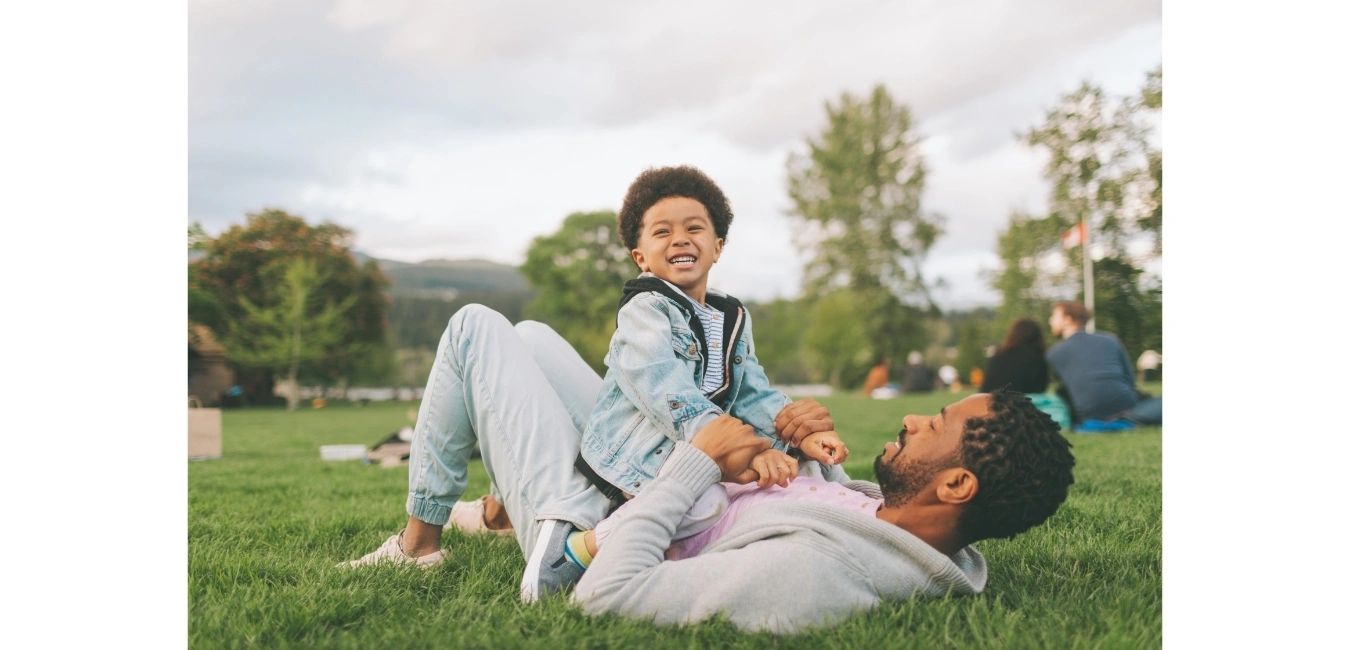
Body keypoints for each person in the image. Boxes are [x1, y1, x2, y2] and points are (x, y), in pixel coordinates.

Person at [344, 304, 1074, 632]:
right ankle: (494, 510)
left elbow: (610, 594)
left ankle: (420, 547)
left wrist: (697, 463)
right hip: (650, 479)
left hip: (601, 522)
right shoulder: (891, 522)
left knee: (476, 327)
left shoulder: (820, 578)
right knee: (530, 333)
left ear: (954, 485)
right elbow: (770, 498)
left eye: (937, 427)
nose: (915, 419)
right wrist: (778, 441)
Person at [567, 165, 848, 588]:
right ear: (640, 257)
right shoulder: (644, 310)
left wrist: (796, 433)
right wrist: (748, 454)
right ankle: (592, 544)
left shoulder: (731, 315)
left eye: (693, 228)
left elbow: (753, 390)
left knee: (805, 467)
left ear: (716, 247)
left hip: (701, 447)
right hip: (638, 458)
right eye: (661, 232)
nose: (679, 238)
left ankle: (844, 512)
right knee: (706, 504)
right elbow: (667, 392)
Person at [1046, 301, 1161, 425]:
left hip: (1089, 416)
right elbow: (1130, 381)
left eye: (1054, 316)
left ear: (1067, 319)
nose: (1050, 321)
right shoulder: (1110, 340)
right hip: (1128, 408)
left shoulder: (1054, 353)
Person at [980, 318, 1050, 394]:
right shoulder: (1037, 358)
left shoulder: (998, 354)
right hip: (1018, 403)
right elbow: (1040, 389)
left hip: (989, 401)